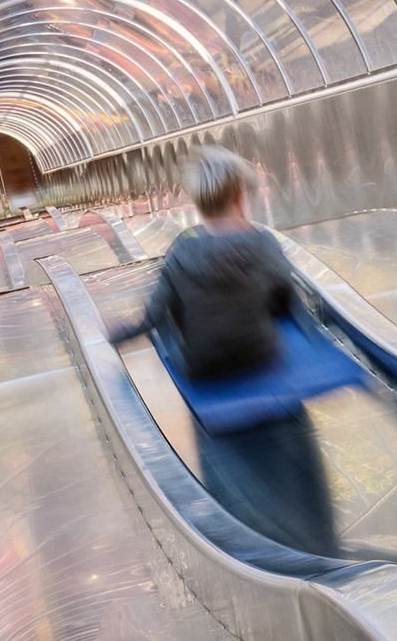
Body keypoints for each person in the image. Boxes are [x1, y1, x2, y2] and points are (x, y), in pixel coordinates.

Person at [110, 146, 335, 553]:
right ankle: (316, 532)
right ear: (239, 196)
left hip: (205, 371)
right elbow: (285, 305)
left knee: (180, 330)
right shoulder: (263, 243)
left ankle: (236, 521)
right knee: (272, 333)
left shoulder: (183, 249)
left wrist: (117, 335)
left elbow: (155, 316)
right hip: (261, 358)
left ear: (200, 204)